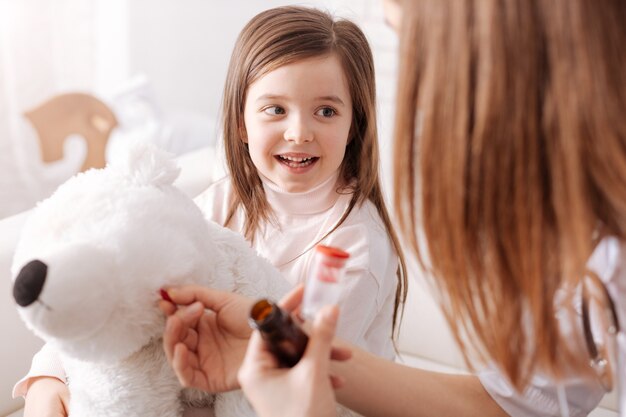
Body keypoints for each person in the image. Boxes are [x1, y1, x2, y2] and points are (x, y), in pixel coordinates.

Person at [161, 0, 626, 416]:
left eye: (417, 39)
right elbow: (521, 402)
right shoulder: (580, 236)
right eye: (274, 109)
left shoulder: (356, 239)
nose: (298, 131)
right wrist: (272, 333)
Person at [14, 5, 408, 416]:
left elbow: (294, 380)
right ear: (241, 123)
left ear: (354, 125)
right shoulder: (224, 199)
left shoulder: (354, 248)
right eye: (276, 109)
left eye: (325, 111)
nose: (299, 132)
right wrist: (48, 375)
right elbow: (126, 280)